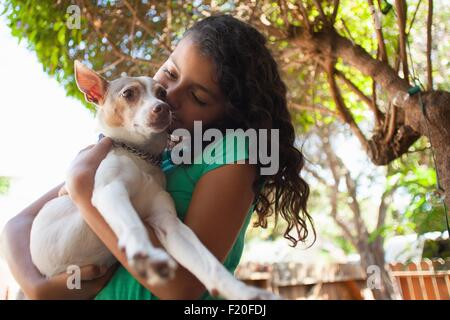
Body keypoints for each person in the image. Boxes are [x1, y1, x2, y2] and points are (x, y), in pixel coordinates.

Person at [1, 14, 314, 300]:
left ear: (230, 116)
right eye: (170, 72)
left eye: (197, 96)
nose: (168, 99)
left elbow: (184, 288)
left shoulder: (232, 152)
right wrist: (35, 287)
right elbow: (17, 225)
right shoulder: (141, 150)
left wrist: (85, 195)